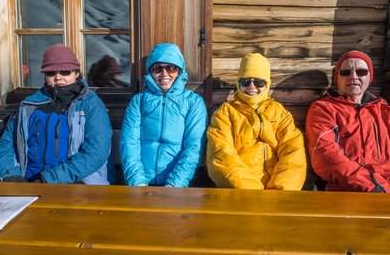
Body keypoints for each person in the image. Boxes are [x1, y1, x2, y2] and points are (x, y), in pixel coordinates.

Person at [0, 43, 112, 184]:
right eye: (51, 73)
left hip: (76, 180)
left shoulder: (90, 104)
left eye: (65, 72)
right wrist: (9, 174)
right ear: (44, 75)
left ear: (76, 73)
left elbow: (96, 152)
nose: (58, 77)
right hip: (27, 179)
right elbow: (8, 142)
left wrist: (49, 179)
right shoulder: (29, 105)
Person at [206, 53, 306, 190]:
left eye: (259, 82)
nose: (252, 87)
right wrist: (251, 191)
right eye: (245, 82)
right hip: (241, 192)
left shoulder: (279, 113)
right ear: (238, 83)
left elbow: (293, 151)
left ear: (267, 84)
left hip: (277, 193)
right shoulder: (225, 113)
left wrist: (283, 188)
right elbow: (220, 155)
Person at [120, 43, 207, 187]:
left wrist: (174, 185)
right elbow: (129, 143)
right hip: (141, 183)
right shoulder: (139, 101)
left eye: (171, 68)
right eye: (158, 68)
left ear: (179, 71)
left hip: (177, 185)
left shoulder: (193, 102)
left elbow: (193, 146)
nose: (164, 73)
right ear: (151, 72)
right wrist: (137, 183)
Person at [306, 50, 390, 192]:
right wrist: (372, 186)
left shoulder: (383, 109)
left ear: (370, 77)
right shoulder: (323, 108)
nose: (353, 77)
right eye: (345, 72)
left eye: (361, 72)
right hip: (341, 189)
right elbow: (325, 155)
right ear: (337, 78)